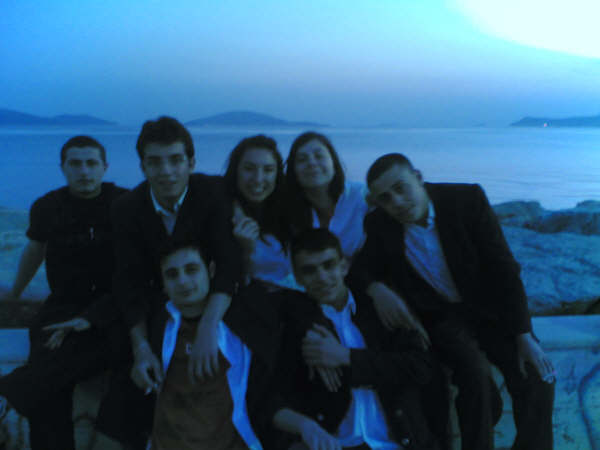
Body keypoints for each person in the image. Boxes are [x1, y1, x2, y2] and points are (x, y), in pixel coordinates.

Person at [349, 153, 555, 450]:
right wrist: (376, 288)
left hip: (492, 313)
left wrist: (524, 334)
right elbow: (358, 270)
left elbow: (504, 268)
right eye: (385, 198)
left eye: (401, 188)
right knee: (476, 379)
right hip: (443, 320)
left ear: (418, 178)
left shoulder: (466, 200)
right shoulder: (380, 224)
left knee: (537, 376)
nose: (397, 202)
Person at [95, 116, 243, 447]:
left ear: (191, 162)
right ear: (143, 166)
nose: (166, 171)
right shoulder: (126, 208)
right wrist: (141, 347)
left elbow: (229, 263)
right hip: (157, 306)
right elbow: (128, 280)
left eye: (176, 160)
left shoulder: (211, 193)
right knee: (129, 369)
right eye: (155, 162)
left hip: (212, 301)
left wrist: (208, 326)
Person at [265, 228, 448, 450]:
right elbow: (273, 396)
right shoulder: (297, 324)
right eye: (309, 270)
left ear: (344, 266)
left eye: (329, 265)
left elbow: (422, 367)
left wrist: (347, 357)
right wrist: (305, 428)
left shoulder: (380, 309)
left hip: (400, 442)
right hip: (339, 444)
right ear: (297, 277)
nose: (322, 277)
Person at [0, 136, 128, 450]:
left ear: (105, 167)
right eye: (75, 164)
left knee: (72, 359)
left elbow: (135, 270)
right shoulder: (47, 207)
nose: (84, 171)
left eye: (91, 163)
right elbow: (35, 250)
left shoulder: (124, 204)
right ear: (63, 168)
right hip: (62, 305)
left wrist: (93, 317)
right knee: (48, 370)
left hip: (111, 307)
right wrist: (15, 292)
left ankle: (11, 388)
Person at [131, 240, 279, 450]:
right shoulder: (157, 324)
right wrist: (139, 351)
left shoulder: (243, 320)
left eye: (191, 270)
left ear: (210, 271)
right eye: (172, 275)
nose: (183, 281)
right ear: (163, 283)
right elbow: (125, 301)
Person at [223, 134, 295, 289]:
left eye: (268, 170)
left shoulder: (288, 210)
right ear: (236, 170)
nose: (258, 179)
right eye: (249, 169)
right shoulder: (224, 214)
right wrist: (245, 251)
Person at [285, 132, 369, 260]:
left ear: (334, 162)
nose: (311, 163)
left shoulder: (361, 195)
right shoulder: (287, 209)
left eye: (319, 156)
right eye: (302, 159)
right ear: (293, 170)